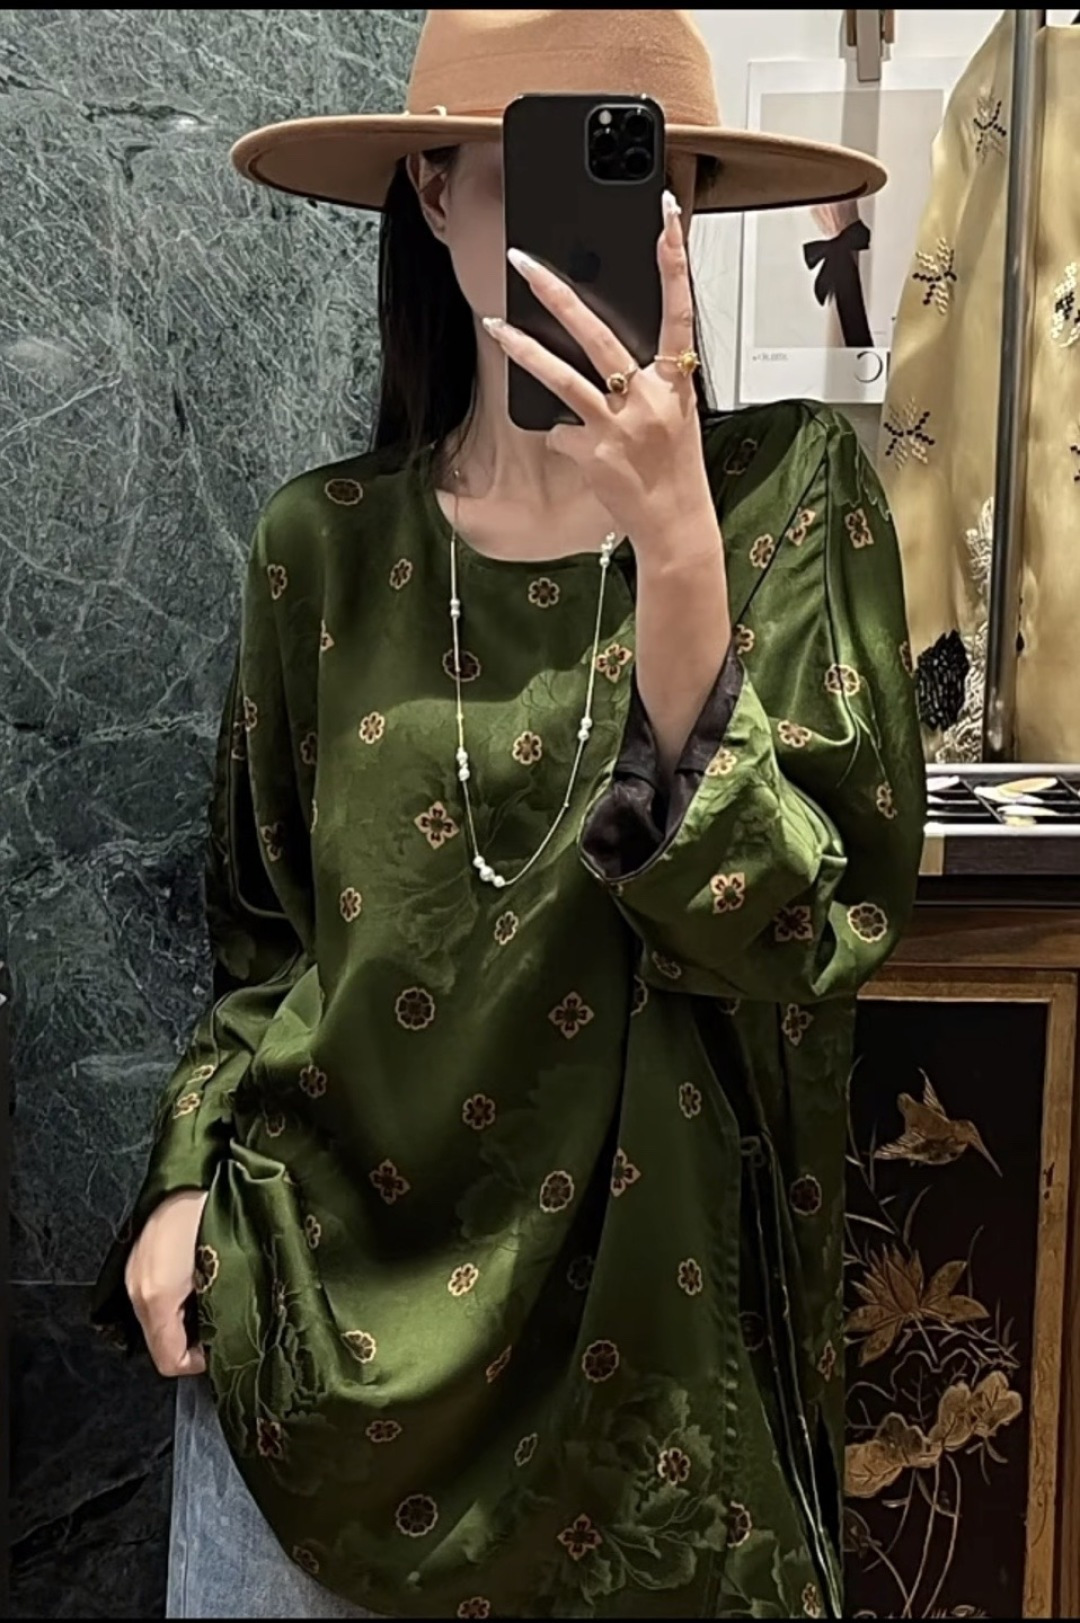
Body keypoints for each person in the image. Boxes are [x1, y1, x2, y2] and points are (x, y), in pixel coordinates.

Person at [90, 10, 925, 1620]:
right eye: (543, 169)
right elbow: (265, 941)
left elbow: (808, 934)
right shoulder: (324, 548)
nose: (613, 219)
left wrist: (678, 553)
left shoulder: (790, 499)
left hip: (657, 1397)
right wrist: (192, 1172)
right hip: (314, 1339)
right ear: (431, 188)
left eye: (651, 178)